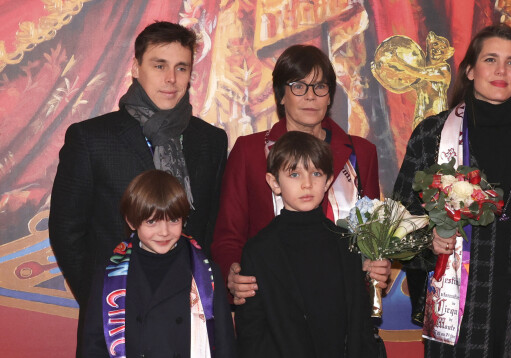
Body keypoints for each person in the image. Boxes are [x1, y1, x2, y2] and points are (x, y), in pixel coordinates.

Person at [393, 23, 511, 357]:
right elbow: (400, 223)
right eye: (490, 59)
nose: (500, 70)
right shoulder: (432, 135)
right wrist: (428, 240)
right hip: (458, 312)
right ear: (469, 69)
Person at [49, 21, 227, 353]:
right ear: (135, 68)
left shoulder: (211, 141)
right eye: (159, 65)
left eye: (181, 67)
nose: (171, 78)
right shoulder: (91, 139)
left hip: (190, 317)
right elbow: (66, 230)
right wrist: (102, 296)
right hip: (118, 315)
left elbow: (211, 227)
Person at [210, 44, 390, 305]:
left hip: (343, 301)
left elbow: (373, 237)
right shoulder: (250, 151)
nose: (310, 96)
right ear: (281, 95)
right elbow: (228, 236)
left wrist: (379, 265)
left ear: (329, 96)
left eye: (320, 86)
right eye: (298, 86)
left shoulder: (361, 153)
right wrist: (233, 273)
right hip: (272, 301)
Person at [235, 131, 377, 357]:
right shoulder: (259, 250)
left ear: (328, 180)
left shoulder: (346, 243)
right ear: (274, 182)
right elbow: (251, 333)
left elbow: (359, 323)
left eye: (316, 173)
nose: (307, 184)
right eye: (294, 174)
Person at [82, 170, 236, 357]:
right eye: (152, 221)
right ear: (131, 221)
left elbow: (224, 345)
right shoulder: (109, 275)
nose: (164, 232)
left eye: (173, 220)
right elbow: (93, 344)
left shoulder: (207, 273)